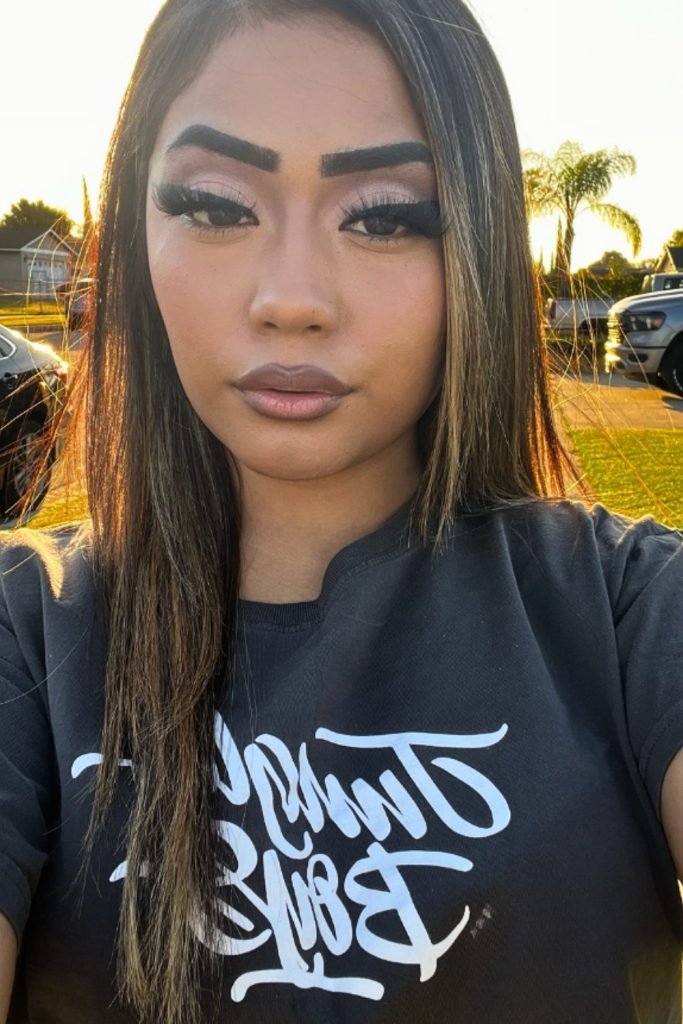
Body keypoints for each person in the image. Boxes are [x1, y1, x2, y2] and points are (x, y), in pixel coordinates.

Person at [1, 0, 682, 1021]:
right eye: (214, 205)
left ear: (478, 249)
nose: (292, 298)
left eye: (385, 217)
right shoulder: (27, 628)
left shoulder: (631, 613)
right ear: (135, 233)